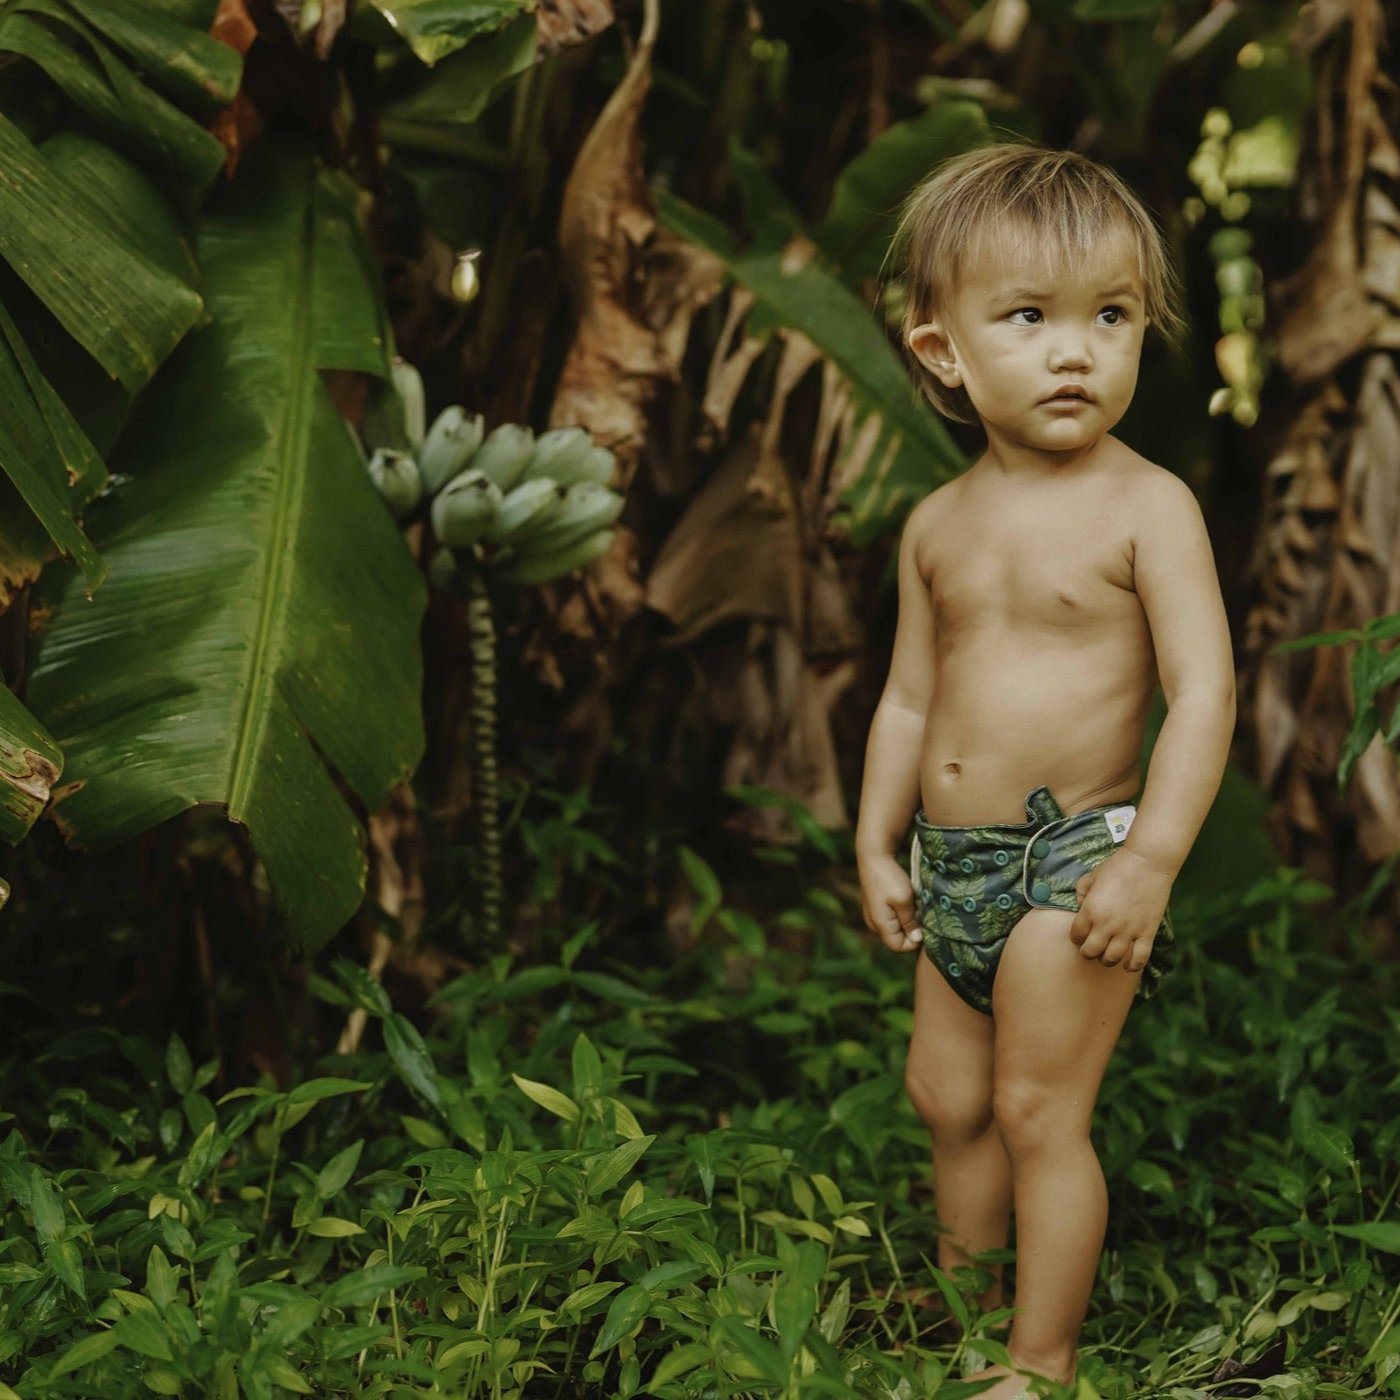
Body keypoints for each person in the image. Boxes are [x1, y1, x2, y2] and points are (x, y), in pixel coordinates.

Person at [854, 141, 1236, 1399]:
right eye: (1028, 317)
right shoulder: (935, 523)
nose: (1075, 350)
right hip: (950, 860)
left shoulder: (1147, 507)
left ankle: (1038, 1362)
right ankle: (958, 1313)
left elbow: (1203, 693)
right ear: (942, 351)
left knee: (1033, 1109)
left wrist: (1150, 858)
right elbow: (908, 694)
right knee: (943, 1097)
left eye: (1109, 316)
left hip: (1070, 858)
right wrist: (874, 839)